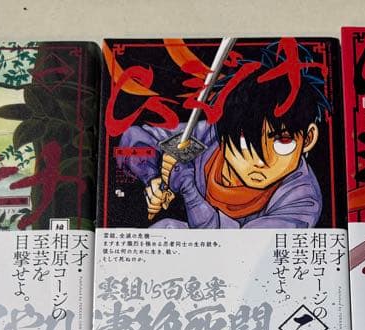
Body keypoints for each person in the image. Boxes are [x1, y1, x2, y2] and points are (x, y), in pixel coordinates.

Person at [116, 44, 331, 229]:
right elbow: (132, 139)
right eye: (245, 141)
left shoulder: (302, 200)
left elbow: (233, 248)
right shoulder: (210, 137)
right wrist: (152, 177)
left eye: (282, 142)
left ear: (308, 138)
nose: (260, 161)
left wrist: (188, 187)